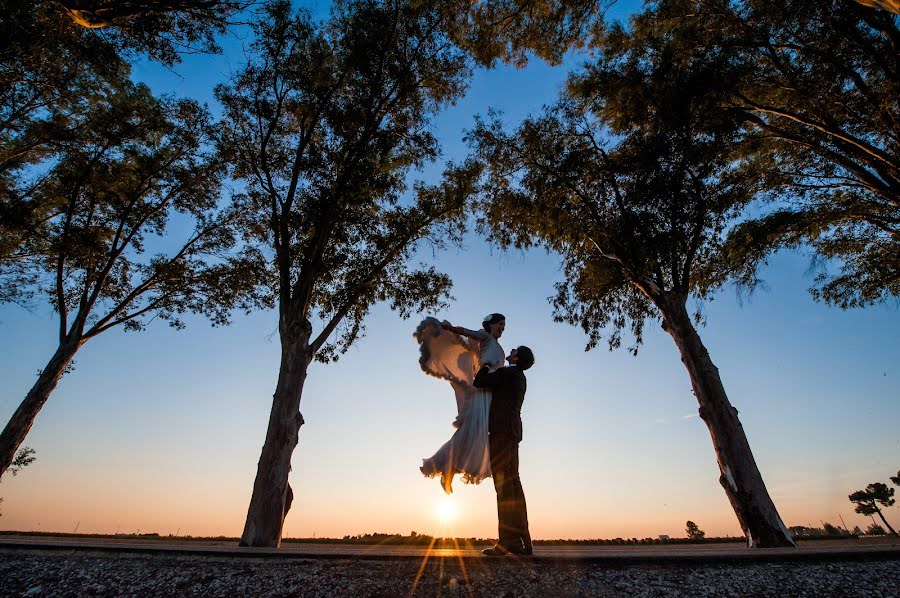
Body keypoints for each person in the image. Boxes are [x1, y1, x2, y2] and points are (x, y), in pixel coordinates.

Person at [416, 313, 506, 493]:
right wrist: (449, 329)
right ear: (491, 324)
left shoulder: (499, 347)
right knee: (470, 432)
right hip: (481, 392)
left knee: (477, 436)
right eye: (500, 324)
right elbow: (466, 332)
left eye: (504, 326)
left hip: (490, 394)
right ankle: (445, 467)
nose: (502, 328)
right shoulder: (485, 336)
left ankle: (450, 469)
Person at [474, 345, 535, 556]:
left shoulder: (508, 373)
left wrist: (485, 365)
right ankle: (522, 540)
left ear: (516, 358)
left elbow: (479, 381)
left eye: (515, 349)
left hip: (501, 434)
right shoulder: (519, 377)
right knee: (513, 487)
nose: (511, 349)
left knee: (503, 488)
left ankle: (509, 541)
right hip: (512, 434)